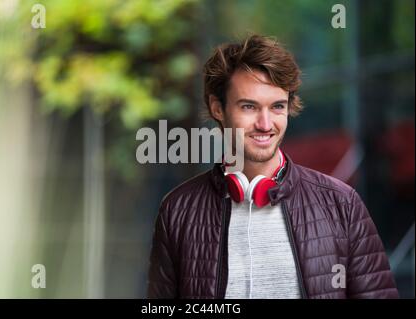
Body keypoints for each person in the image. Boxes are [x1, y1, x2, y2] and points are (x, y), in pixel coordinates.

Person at [147, 34, 399, 299]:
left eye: (277, 107)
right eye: (249, 107)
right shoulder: (177, 210)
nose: (266, 124)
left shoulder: (342, 204)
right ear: (217, 108)